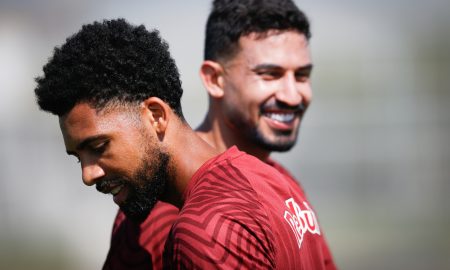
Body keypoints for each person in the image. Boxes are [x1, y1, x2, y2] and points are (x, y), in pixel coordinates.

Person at [35, 18, 334, 269]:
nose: (88, 175)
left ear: (155, 116)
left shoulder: (204, 231)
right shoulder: (275, 181)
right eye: (78, 157)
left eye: (99, 147)